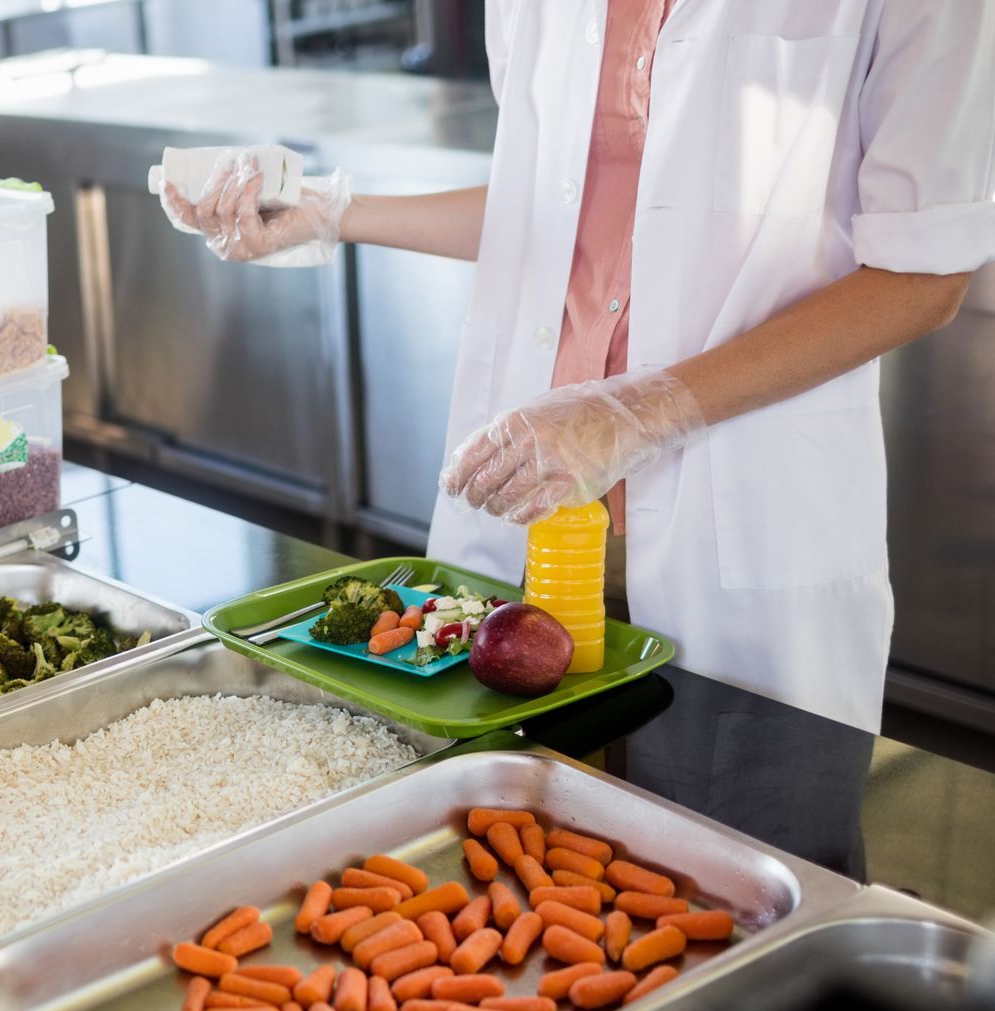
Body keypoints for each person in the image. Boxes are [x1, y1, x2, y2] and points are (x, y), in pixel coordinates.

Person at [163, 1, 995, 733]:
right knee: (502, 867)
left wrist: (641, 410)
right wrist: (331, 213)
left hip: (742, 529)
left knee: (735, 873)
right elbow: (554, 200)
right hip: (530, 520)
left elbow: (923, 275)